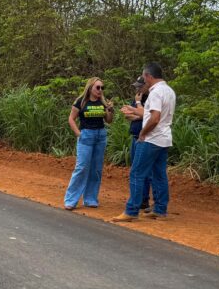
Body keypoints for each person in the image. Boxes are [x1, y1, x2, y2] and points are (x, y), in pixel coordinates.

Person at [113, 63, 175, 221]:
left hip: (151, 139)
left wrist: (143, 132)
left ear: (149, 76)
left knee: (136, 174)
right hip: (164, 138)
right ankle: (160, 209)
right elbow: (151, 114)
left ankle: (131, 211)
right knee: (159, 175)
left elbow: (154, 118)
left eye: (144, 76)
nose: (144, 80)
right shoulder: (169, 91)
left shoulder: (155, 92)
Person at [64, 77, 114, 210]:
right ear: (90, 88)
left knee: (96, 169)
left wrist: (110, 110)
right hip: (86, 135)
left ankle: (90, 198)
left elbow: (108, 121)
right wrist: (78, 134)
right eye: (98, 87)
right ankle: (71, 200)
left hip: (100, 136)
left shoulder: (102, 102)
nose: (100, 90)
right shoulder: (81, 101)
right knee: (82, 167)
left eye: (102, 88)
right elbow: (71, 118)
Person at [119, 76, 151, 213]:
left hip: (145, 138)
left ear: (147, 85)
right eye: (136, 86)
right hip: (135, 136)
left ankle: (143, 200)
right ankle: (139, 198)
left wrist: (138, 108)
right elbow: (128, 115)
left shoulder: (149, 98)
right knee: (135, 168)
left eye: (140, 86)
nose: (137, 89)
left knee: (141, 171)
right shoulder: (138, 97)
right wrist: (139, 114)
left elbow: (149, 115)